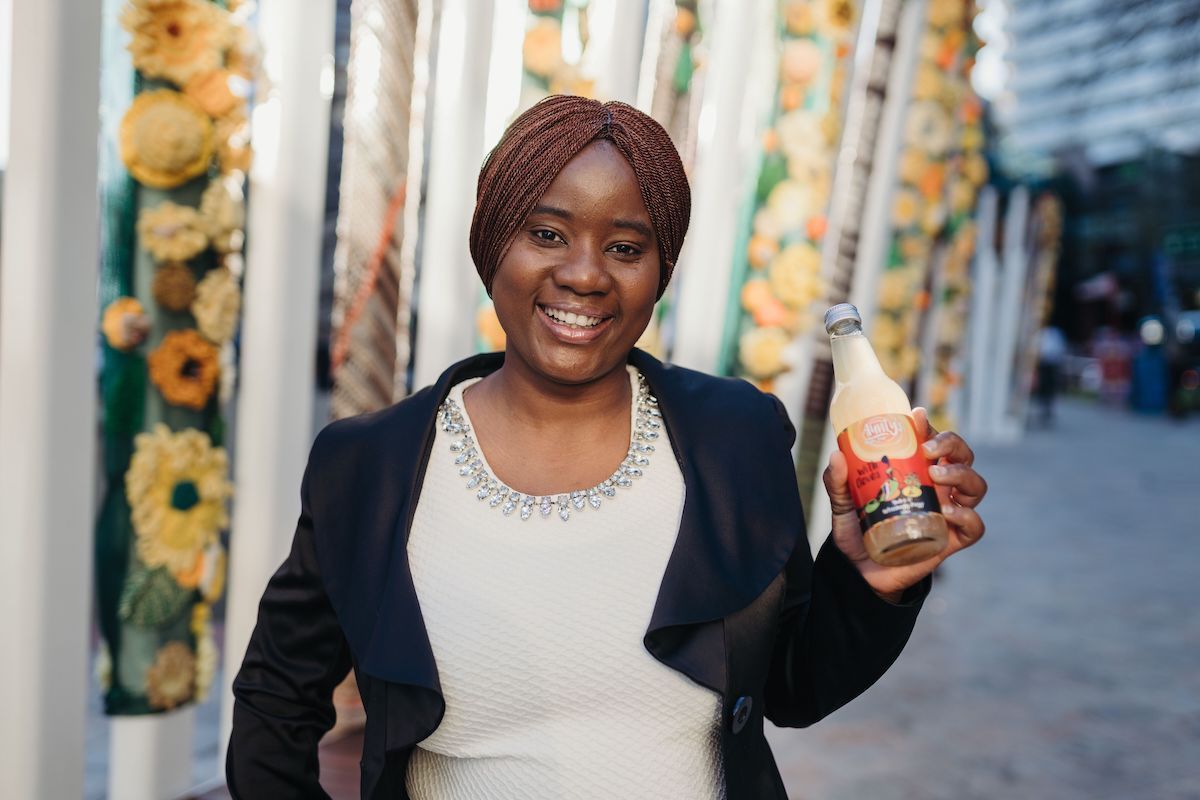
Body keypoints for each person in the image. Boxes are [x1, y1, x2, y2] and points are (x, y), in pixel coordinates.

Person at [226, 96, 988, 800]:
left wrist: (869, 581)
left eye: (626, 246)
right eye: (547, 233)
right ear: (493, 242)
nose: (585, 274)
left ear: (660, 271)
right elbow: (276, 701)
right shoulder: (369, 465)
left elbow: (789, 686)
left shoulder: (736, 437)